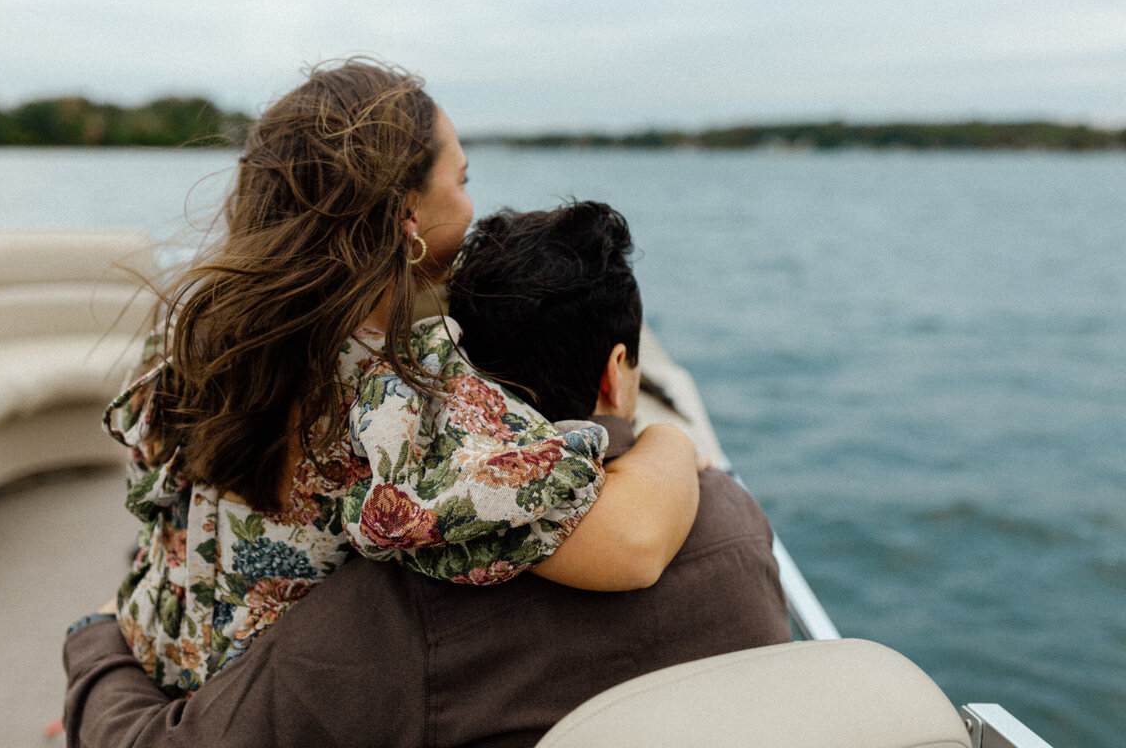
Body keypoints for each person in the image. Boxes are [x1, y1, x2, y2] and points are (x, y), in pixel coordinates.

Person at [63, 201, 791, 747]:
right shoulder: (736, 522)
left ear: (466, 381)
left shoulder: (408, 587)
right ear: (616, 372)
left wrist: (97, 637)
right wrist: (667, 441)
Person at [92, 59, 701, 698]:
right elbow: (634, 544)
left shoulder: (204, 339)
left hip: (164, 660)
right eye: (463, 179)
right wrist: (666, 439)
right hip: (257, 715)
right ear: (407, 211)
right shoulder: (391, 402)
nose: (472, 203)